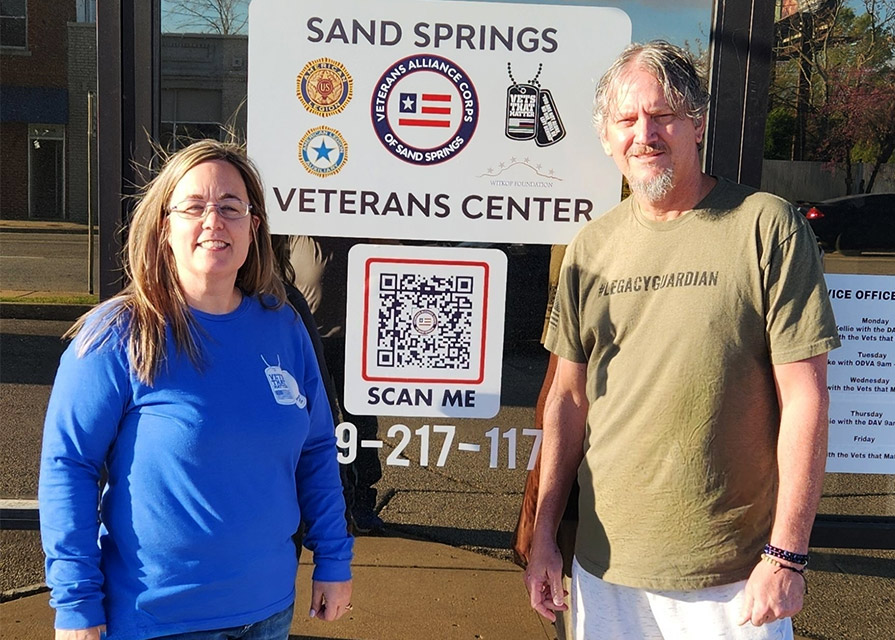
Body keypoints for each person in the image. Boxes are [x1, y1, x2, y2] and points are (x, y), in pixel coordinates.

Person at [524, 41, 840, 640]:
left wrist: (788, 556)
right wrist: (543, 540)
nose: (645, 133)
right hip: (606, 569)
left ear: (696, 124)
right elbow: (566, 399)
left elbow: (807, 398)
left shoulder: (765, 225)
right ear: (607, 138)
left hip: (733, 578)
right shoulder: (590, 248)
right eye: (626, 119)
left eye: (663, 114)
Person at [38, 139, 353, 640]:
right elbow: (67, 465)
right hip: (158, 619)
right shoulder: (119, 333)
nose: (214, 221)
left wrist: (334, 557)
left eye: (231, 207)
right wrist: (76, 603)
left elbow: (315, 450)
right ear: (165, 227)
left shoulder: (284, 328)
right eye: (193, 206)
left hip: (268, 611)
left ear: (254, 227)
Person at [289, 235, 384, 533]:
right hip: (306, 338)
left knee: (361, 424)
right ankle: (317, 506)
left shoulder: (357, 217)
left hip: (356, 338)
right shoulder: (295, 222)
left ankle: (362, 505)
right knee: (314, 424)